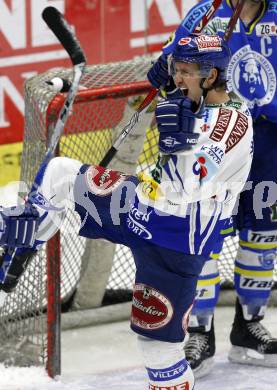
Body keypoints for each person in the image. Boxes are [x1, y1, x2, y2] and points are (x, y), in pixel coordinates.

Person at [0, 33, 253, 388]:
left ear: (211, 77)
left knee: (158, 349)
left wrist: (175, 143)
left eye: (185, 72)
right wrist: (163, 75)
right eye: (175, 70)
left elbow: (186, 189)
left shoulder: (231, 126)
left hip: (178, 241)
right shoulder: (191, 99)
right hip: (141, 205)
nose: (177, 79)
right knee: (59, 174)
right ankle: (18, 250)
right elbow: (174, 82)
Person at [147, 0, 277, 377]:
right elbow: (173, 65)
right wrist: (164, 67)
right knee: (204, 231)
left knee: (264, 234)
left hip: (269, 143)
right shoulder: (208, 12)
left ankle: (249, 326)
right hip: (218, 139)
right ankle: (199, 331)